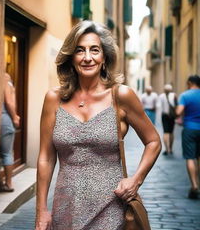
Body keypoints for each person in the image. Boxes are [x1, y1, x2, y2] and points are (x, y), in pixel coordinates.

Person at [35, 20, 161, 229]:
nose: (87, 58)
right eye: (79, 51)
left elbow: (153, 141)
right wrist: (41, 211)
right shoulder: (53, 99)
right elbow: (46, 158)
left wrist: (136, 180)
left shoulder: (121, 96)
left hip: (110, 205)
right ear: (71, 57)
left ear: (104, 58)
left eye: (94, 50)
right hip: (65, 207)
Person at [176, 75, 200, 199]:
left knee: (190, 157)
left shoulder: (185, 95)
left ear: (190, 83)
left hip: (190, 129)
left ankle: (194, 185)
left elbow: (178, 112)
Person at [0, 73, 20, 192]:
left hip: (1, 119)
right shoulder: (6, 81)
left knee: (1, 153)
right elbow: (9, 101)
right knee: (7, 153)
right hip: (6, 118)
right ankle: (8, 183)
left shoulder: (0, 81)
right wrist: (15, 117)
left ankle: (3, 182)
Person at [159, 84, 177, 155]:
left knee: (165, 132)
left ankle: (167, 149)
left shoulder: (161, 96)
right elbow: (176, 105)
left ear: (164, 90)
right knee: (171, 132)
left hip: (164, 115)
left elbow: (159, 106)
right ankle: (171, 149)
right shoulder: (174, 95)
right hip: (172, 116)